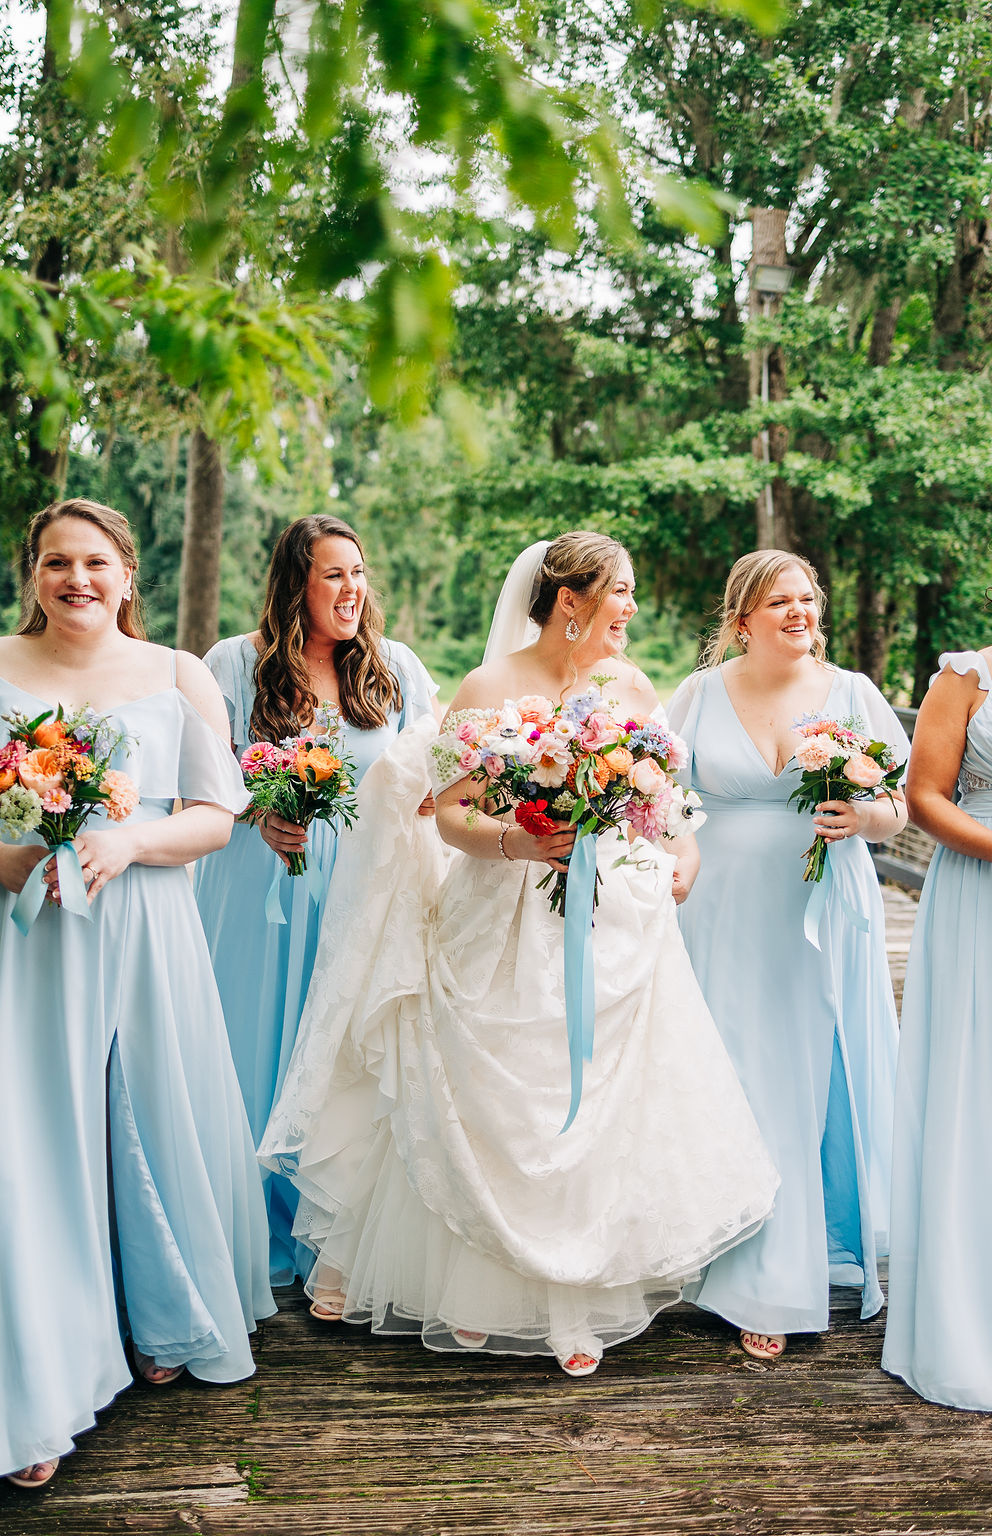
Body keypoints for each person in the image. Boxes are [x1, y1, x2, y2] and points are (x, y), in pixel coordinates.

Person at [261, 531, 779, 1378]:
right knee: (495, 1095)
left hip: (613, 914)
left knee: (601, 1102)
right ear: (569, 599)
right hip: (502, 909)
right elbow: (453, 815)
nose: (633, 610)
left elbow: (667, 799)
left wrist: (685, 852)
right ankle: (473, 1291)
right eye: (622, 592)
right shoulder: (487, 686)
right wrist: (520, 843)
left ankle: (576, 1290)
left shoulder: (630, 684)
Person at [0, 498, 274, 1493]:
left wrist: (124, 840)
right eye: (55, 562)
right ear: (32, 573)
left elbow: (215, 816)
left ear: (127, 575)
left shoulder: (175, 674)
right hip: (27, 937)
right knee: (37, 1140)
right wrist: (32, 853)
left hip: (146, 925)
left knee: (141, 1119)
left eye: (95, 563)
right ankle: (44, 1363)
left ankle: (157, 1310)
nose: (76, 579)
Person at [667, 549, 909, 1362]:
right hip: (720, 913)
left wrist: (865, 819)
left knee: (803, 1079)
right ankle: (732, 1269)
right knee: (733, 1076)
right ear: (741, 621)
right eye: (779, 602)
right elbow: (657, 795)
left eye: (807, 598)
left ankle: (786, 1271)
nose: (799, 612)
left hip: (820, 909)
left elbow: (898, 808)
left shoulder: (853, 695)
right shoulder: (699, 695)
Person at [193, 515, 439, 1290]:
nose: (352, 589)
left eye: (359, 572)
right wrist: (255, 809)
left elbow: (437, 761)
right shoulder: (234, 664)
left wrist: (430, 798)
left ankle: (327, 1239)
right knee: (251, 1044)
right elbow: (200, 779)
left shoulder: (392, 667)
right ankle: (242, 1232)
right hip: (257, 880)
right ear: (295, 582)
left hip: (359, 892)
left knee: (340, 1051)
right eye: (334, 574)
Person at [883, 524, 992, 1412]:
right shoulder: (963, 677)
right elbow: (923, 798)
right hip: (984, 895)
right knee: (984, 1091)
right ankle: (973, 1323)